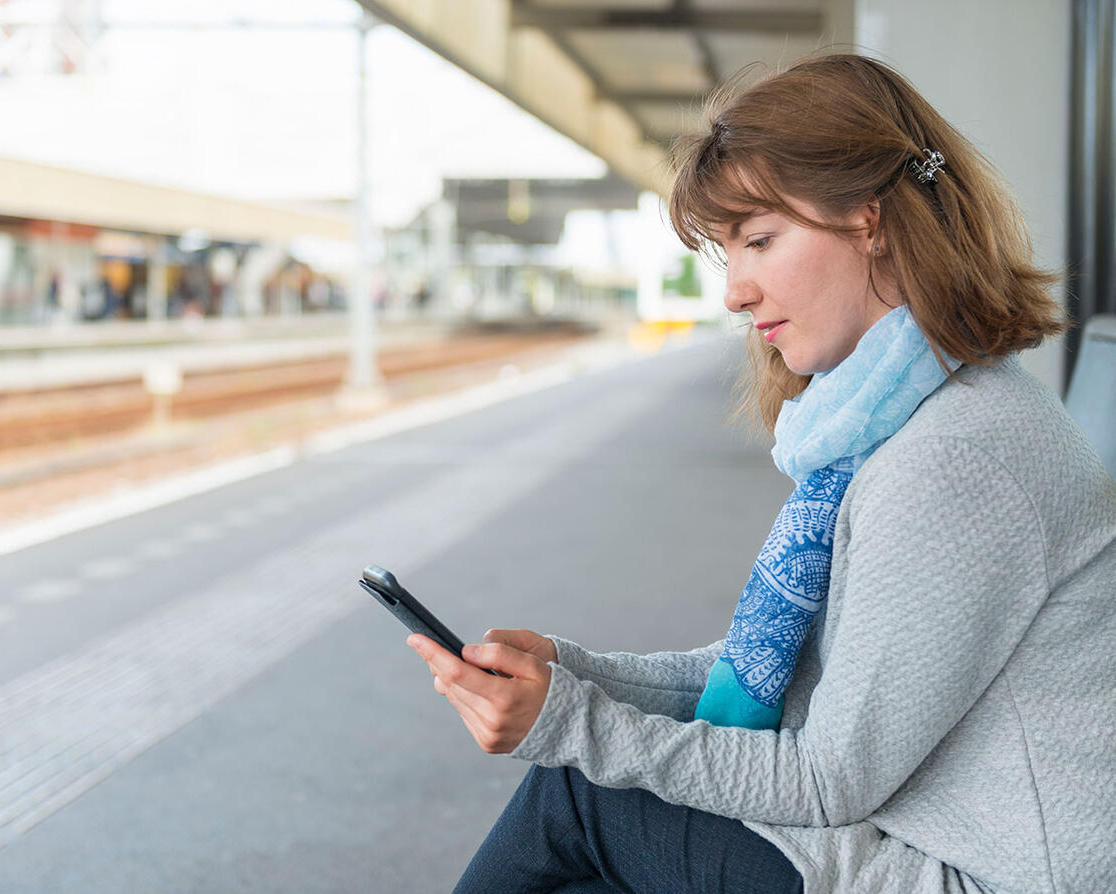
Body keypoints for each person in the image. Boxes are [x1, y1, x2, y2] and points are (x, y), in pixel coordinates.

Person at [407, 52, 1116, 894]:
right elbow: (788, 669)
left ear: (869, 219)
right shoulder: (906, 419)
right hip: (928, 835)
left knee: (577, 792)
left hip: (990, 875)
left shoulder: (955, 457)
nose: (736, 293)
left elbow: (825, 778)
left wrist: (571, 726)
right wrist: (572, 673)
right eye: (727, 251)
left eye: (760, 239)